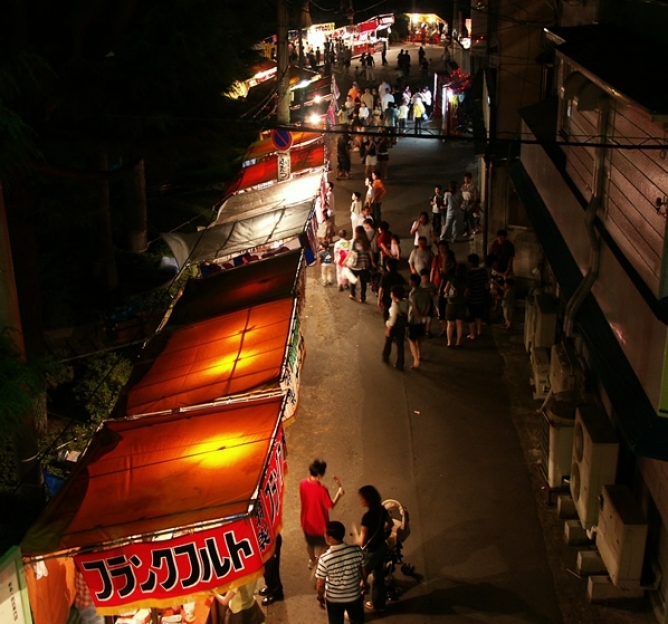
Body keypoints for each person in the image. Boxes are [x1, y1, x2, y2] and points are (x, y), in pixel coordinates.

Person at [315, 521, 367, 624]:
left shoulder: (325, 559)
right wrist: (364, 582)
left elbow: (320, 584)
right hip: (355, 596)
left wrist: (319, 598)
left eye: (325, 534)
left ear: (331, 538)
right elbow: (364, 570)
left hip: (334, 600)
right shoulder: (356, 551)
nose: (324, 536)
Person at [300, 459, 345, 568]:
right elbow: (330, 505)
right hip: (320, 524)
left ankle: (312, 560)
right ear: (320, 474)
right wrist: (339, 494)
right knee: (325, 544)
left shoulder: (302, 484)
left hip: (307, 522)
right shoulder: (322, 490)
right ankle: (320, 563)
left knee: (310, 543)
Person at [356, 485, 392, 612]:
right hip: (382, 547)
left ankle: (355, 612)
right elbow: (390, 524)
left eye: (361, 498)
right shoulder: (382, 509)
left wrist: (356, 537)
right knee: (379, 576)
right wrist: (380, 532)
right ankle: (379, 604)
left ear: (367, 500)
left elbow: (362, 541)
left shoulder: (367, 518)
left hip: (371, 552)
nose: (360, 500)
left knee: (359, 581)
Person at [382, 284, 408, 371]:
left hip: (394, 327)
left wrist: (389, 328)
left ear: (394, 295)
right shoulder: (405, 301)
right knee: (400, 346)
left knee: (388, 342)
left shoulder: (395, 306)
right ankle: (400, 364)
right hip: (402, 326)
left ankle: (385, 356)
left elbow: (393, 319)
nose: (390, 294)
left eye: (391, 293)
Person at [407, 273, 431, 368]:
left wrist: (419, 316)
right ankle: (419, 354)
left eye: (410, 280)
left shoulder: (413, 293)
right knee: (419, 337)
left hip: (413, 319)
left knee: (411, 339)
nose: (409, 282)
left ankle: (416, 359)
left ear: (413, 282)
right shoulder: (425, 292)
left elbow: (414, 307)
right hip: (422, 319)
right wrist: (424, 315)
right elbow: (429, 304)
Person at [443, 262, 469, 346]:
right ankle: (458, 342)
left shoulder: (452, 279)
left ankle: (449, 342)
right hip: (461, 304)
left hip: (451, 303)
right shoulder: (467, 280)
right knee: (460, 324)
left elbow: (445, 290)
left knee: (450, 324)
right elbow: (466, 294)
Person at [348, 225, 375, 303]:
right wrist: (372, 261)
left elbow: (351, 252)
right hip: (364, 265)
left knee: (352, 280)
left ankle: (352, 294)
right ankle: (363, 298)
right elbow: (370, 252)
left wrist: (346, 261)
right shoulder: (366, 241)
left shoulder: (355, 241)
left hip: (356, 265)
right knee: (363, 283)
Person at [465, 253, 488, 339]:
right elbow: (486, 282)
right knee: (479, 315)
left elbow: (468, 287)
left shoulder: (470, 273)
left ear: (470, 262)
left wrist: (465, 296)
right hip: (481, 296)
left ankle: (472, 334)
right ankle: (479, 331)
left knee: (471, 317)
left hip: (472, 298)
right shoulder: (483, 270)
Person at [259, 533, 284, 606]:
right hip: (262, 536)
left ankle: (276, 593)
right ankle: (270, 586)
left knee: (270, 566)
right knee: (266, 566)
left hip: (268, 538)